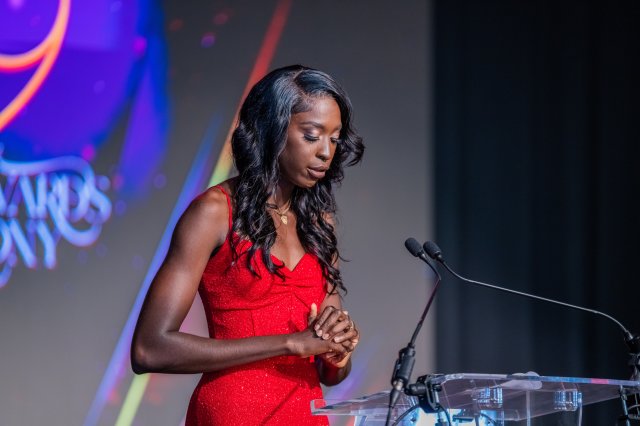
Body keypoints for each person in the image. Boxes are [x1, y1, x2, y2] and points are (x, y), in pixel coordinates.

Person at [131, 65, 365, 425]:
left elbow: (330, 373)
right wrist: (289, 343)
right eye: (312, 135)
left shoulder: (319, 225)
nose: (325, 152)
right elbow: (149, 348)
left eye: (334, 139)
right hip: (233, 413)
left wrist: (339, 352)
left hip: (304, 414)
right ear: (273, 129)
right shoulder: (214, 213)